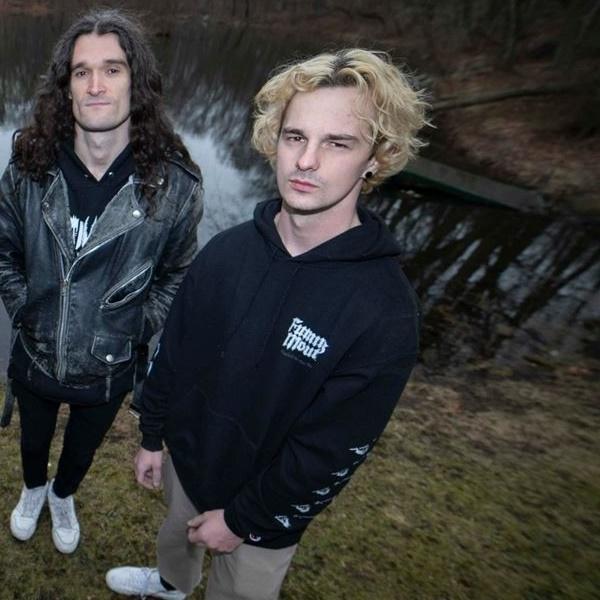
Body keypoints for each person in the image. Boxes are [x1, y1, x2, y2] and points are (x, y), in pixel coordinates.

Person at [106, 48, 427, 599]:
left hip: (267, 514)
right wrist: (152, 435)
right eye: (295, 136)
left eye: (338, 143)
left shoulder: (384, 312)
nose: (306, 161)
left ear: (376, 157)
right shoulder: (227, 251)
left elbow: (329, 451)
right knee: (176, 543)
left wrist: (242, 519)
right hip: (188, 461)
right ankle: (170, 584)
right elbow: (174, 351)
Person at [0, 8, 202, 555]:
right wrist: (26, 309)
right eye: (81, 71)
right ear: (65, 86)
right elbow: (4, 251)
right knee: (33, 441)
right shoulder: (28, 168)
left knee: (81, 451)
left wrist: (135, 326)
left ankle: (63, 494)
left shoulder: (174, 186)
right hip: (35, 355)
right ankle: (34, 488)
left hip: (110, 367)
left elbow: (178, 275)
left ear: (136, 83)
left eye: (112, 69)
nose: (95, 85)